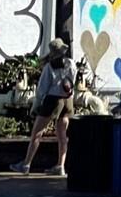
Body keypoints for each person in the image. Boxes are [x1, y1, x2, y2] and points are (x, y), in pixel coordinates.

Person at [12, 37, 76, 176]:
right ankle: (61, 165)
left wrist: (36, 105)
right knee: (62, 135)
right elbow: (73, 81)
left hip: (52, 100)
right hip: (68, 100)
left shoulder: (50, 67)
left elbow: (42, 89)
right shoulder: (71, 64)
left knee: (37, 133)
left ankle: (26, 163)